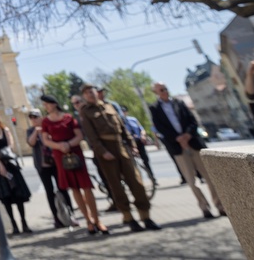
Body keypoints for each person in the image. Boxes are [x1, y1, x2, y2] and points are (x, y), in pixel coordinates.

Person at [78, 84, 161, 233]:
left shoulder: (109, 106)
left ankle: (146, 217)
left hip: (121, 147)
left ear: (96, 93)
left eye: (92, 91)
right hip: (106, 151)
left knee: (136, 182)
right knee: (116, 186)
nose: (90, 94)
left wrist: (132, 144)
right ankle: (129, 218)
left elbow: (122, 127)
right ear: (84, 96)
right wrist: (103, 152)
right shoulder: (85, 112)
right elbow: (91, 136)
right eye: (87, 93)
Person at [148, 83, 226, 218]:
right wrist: (177, 138)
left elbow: (193, 121)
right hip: (178, 147)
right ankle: (204, 207)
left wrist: (188, 135)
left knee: (210, 177)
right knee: (191, 180)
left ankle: (220, 206)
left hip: (194, 143)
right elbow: (160, 128)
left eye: (166, 88)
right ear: (156, 92)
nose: (165, 91)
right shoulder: (155, 108)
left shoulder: (179, 103)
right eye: (161, 90)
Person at [39, 94, 108, 235]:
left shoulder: (68, 117)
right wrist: (59, 146)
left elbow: (79, 135)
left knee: (86, 187)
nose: (45, 106)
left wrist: (68, 144)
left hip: (75, 152)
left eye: (46, 103)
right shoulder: (46, 121)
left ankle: (97, 220)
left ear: (53, 104)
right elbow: (46, 140)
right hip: (60, 155)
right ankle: (88, 220)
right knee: (74, 188)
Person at [0, 110, 32, 234]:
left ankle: (24, 222)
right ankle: (14, 225)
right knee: (6, 197)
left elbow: (10, 146)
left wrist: (6, 161)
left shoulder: (5, 130)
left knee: (19, 195)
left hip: (10, 164)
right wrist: (1, 165)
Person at [26, 109, 74, 229]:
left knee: (63, 188)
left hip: (56, 164)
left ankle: (70, 214)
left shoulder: (48, 127)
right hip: (42, 166)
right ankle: (57, 218)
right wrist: (36, 133)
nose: (33, 119)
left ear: (41, 117)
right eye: (31, 117)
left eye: (36, 117)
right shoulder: (30, 130)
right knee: (49, 192)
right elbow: (31, 143)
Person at [120, 106, 156, 184]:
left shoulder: (133, 119)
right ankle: (138, 181)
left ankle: (152, 178)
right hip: (129, 144)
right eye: (121, 111)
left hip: (139, 142)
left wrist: (143, 135)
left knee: (145, 160)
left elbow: (141, 128)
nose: (123, 113)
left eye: (124, 111)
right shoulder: (119, 122)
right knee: (133, 163)